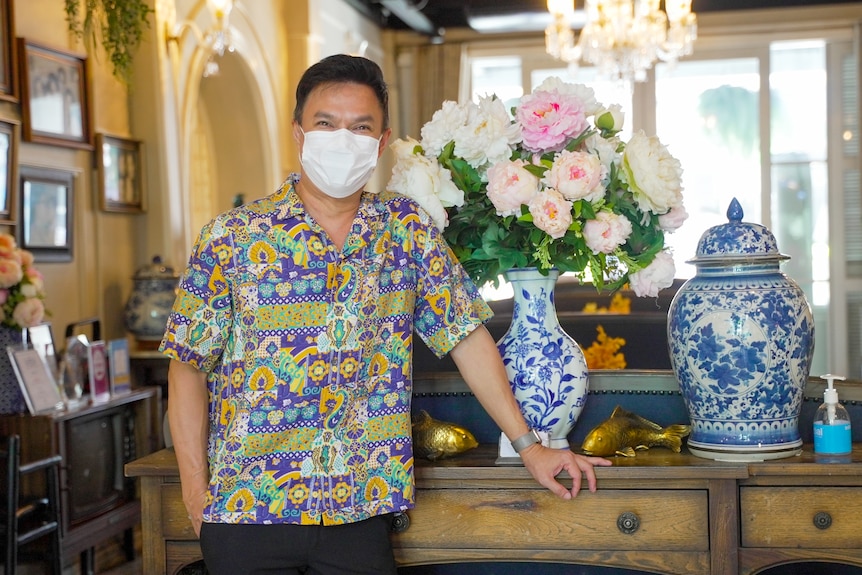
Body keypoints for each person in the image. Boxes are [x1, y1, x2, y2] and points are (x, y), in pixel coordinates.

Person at [161, 54, 612, 575]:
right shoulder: (232, 237)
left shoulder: (406, 231)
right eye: (325, 123)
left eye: (360, 127)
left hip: (360, 509)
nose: (342, 138)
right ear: (298, 132)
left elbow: (466, 336)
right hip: (246, 514)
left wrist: (530, 446)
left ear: (380, 141)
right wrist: (197, 496)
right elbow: (188, 365)